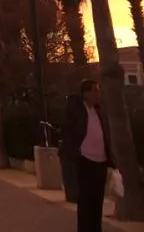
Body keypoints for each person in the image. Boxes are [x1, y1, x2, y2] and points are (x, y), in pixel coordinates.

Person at [60, 79, 113, 232]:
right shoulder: (76, 110)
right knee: (85, 201)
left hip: (101, 161)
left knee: (97, 200)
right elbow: (68, 131)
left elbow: (105, 134)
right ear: (86, 93)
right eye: (95, 90)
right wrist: (74, 152)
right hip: (85, 160)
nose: (98, 94)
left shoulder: (99, 111)